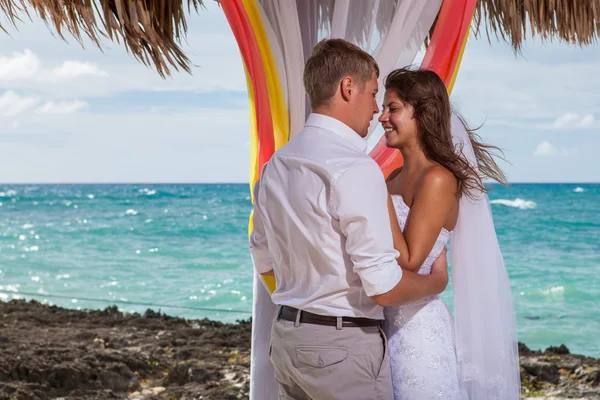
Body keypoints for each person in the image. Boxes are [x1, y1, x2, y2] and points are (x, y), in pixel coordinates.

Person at [249, 39, 449, 400]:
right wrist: (436, 283)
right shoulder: (355, 169)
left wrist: (305, 297)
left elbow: (262, 257)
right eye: (374, 94)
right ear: (348, 87)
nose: (375, 110)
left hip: (286, 340)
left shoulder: (274, 167)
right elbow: (384, 289)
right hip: (341, 348)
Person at [379, 67, 520, 399]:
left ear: (422, 114)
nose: (382, 117)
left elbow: (410, 260)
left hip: (419, 336)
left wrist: (378, 195)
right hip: (383, 333)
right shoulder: (392, 177)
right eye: (384, 108)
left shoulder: (438, 179)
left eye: (393, 108)